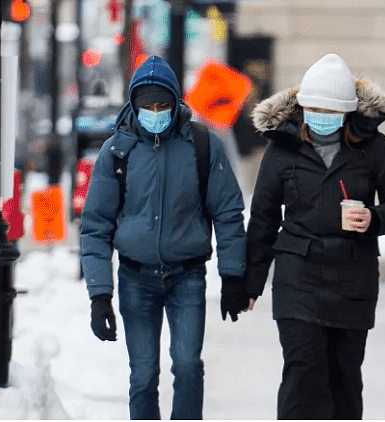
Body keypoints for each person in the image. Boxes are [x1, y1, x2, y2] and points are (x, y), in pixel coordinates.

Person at [80, 56, 250, 420]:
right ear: (134, 105)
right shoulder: (116, 153)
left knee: (188, 366)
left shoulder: (203, 146)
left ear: (176, 103)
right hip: (135, 278)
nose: (156, 113)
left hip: (186, 277)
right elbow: (96, 225)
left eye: (163, 105)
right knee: (143, 375)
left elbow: (228, 213)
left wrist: (233, 274)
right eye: (148, 106)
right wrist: (99, 295)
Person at [246, 53, 385, 419]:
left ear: (348, 112)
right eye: (315, 110)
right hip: (298, 277)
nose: (322, 118)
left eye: (332, 111)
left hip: (352, 281)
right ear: (303, 107)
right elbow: (263, 217)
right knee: (302, 375)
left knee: (344, 382)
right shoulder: (282, 149)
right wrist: (250, 281)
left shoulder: (374, 148)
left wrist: (373, 218)